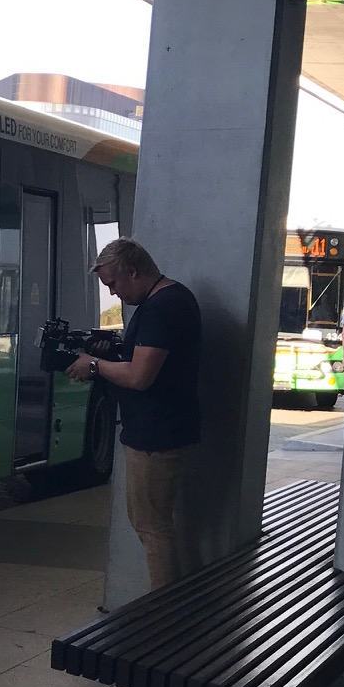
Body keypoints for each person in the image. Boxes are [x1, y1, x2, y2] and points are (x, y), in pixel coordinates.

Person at [65, 238, 201, 589]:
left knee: (153, 529)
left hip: (156, 437)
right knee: (152, 525)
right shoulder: (170, 300)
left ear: (133, 271)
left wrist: (94, 364)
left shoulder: (163, 306)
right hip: (161, 431)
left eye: (113, 284)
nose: (113, 294)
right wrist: (113, 351)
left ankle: (165, 620)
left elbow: (140, 376)